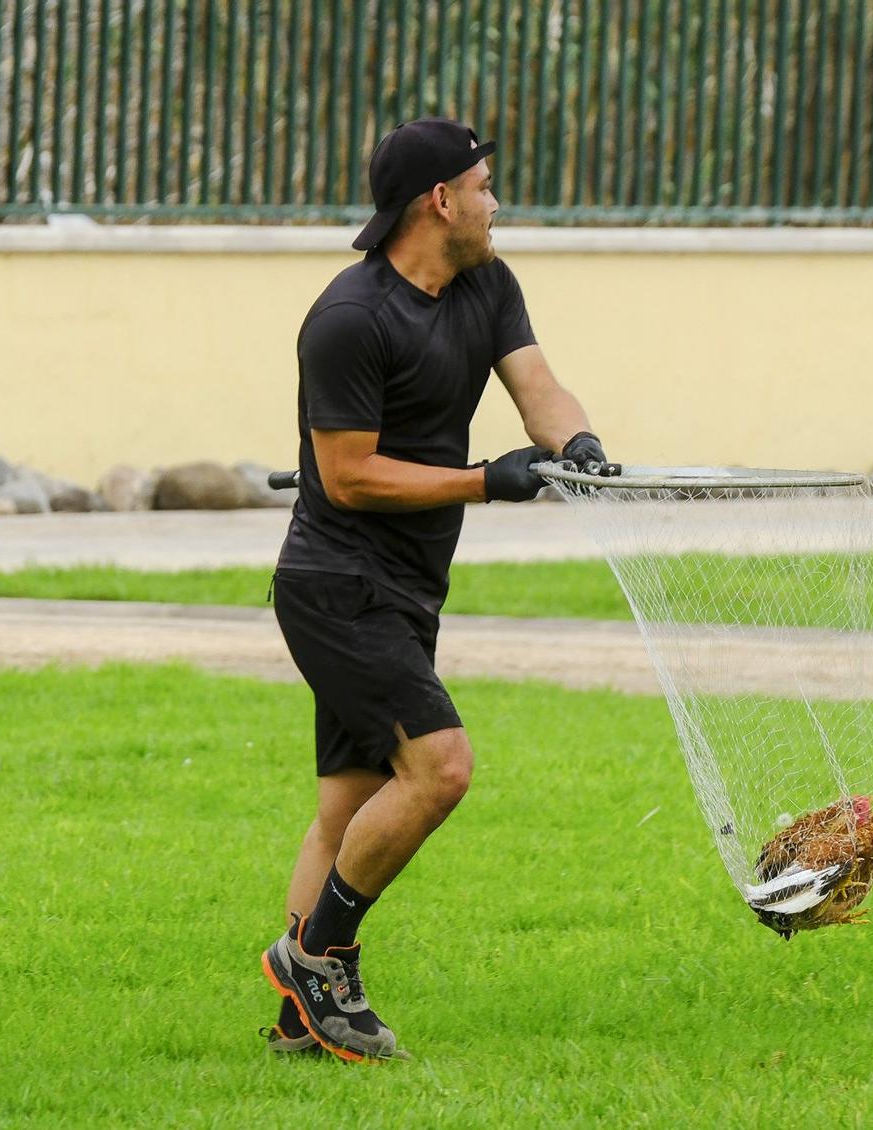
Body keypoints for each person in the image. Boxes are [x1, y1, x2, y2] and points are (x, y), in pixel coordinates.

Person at [258, 117, 606, 1062]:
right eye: (486, 185)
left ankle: (299, 1019)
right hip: (337, 586)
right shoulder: (349, 319)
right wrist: (485, 479)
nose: (499, 202)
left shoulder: (486, 283)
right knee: (441, 767)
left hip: (409, 586)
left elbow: (537, 384)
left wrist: (575, 444)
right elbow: (350, 477)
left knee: (348, 806)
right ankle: (319, 958)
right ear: (439, 201)